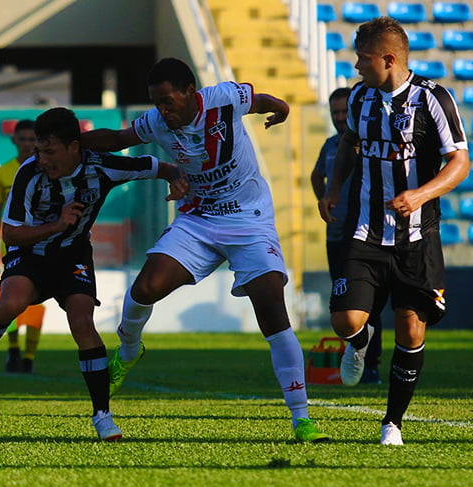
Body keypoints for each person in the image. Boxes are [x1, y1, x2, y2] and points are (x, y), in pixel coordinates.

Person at [80, 57, 329, 443]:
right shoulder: (156, 122)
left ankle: (301, 419)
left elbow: (260, 99)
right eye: (156, 102)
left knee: (271, 307)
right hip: (199, 219)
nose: (163, 110)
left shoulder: (224, 98)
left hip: (248, 219)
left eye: (168, 101)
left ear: (191, 92)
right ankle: (128, 351)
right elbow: (118, 139)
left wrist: (280, 108)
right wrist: (71, 140)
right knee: (145, 288)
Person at [0, 107, 189, 441]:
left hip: (73, 256)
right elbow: (11, 234)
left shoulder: (101, 166)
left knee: (82, 323)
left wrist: (176, 177)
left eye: (49, 151)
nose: (42, 158)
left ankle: (102, 416)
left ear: (74, 147)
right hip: (30, 254)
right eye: (39, 150)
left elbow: (151, 166)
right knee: (11, 302)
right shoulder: (28, 174)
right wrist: (56, 225)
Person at [319, 17, 469, 445]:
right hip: (365, 231)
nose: (356, 66)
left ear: (388, 59)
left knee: (411, 330)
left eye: (362, 58)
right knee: (345, 320)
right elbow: (349, 144)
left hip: (417, 237)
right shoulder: (361, 98)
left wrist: (420, 195)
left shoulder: (433, 99)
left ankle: (392, 423)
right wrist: (333, 190)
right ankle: (360, 340)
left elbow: (460, 162)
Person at [310, 87, 382, 384]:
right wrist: (326, 198)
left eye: (344, 112)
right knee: (341, 301)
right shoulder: (329, 146)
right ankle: (355, 357)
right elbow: (317, 175)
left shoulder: (367, 143)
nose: (340, 118)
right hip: (335, 234)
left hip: (363, 233)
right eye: (335, 112)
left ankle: (371, 366)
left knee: (366, 303)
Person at [0, 119, 45, 373]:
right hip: (10, 245)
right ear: (14, 141)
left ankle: (29, 356)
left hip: (41, 243)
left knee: (35, 301)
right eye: (22, 139)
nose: (27, 144)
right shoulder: (2, 174)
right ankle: (12, 349)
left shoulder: (47, 169)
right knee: (6, 298)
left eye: (32, 139)